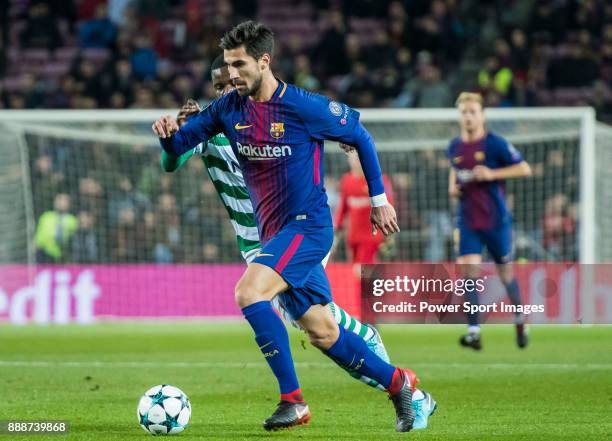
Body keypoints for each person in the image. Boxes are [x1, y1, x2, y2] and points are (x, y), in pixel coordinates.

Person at [153, 21, 421, 432]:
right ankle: (401, 385)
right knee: (322, 332)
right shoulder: (228, 109)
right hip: (273, 235)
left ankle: (292, 401)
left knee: (248, 291)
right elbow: (177, 150)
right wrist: (169, 136)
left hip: (308, 228)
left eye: (239, 65)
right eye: (227, 66)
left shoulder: (303, 106)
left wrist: (378, 200)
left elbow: (361, 136)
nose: (232, 75)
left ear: (264, 61)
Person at [447, 92, 532, 350]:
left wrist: (492, 173)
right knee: (468, 272)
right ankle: (473, 330)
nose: (468, 117)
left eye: (473, 111)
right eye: (464, 112)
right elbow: (454, 169)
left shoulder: (494, 144)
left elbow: (524, 168)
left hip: (496, 220)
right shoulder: (454, 147)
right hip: (468, 221)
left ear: (482, 115)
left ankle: (520, 319)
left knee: (506, 273)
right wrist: (452, 187)